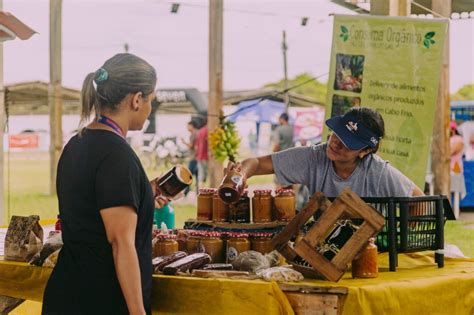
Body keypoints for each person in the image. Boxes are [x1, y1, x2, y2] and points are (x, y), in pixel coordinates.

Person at [42, 53, 169, 315]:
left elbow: (92, 205)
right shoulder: (116, 155)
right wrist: (138, 312)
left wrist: (144, 192)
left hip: (69, 292)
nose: (150, 109)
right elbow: (120, 243)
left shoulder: (77, 143)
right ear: (136, 99)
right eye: (150, 101)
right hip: (101, 299)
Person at [229, 107, 424, 198]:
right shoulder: (314, 157)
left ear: (365, 151)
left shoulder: (378, 171)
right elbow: (256, 162)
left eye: (348, 142)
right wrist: (241, 175)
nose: (335, 143)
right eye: (335, 134)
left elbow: (420, 200)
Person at [450, 121, 466, 216]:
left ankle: (456, 212)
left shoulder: (459, 139)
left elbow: (453, 151)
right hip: (448, 169)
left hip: (455, 168)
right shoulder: (449, 139)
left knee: (456, 191)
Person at [182, 120, 198, 195]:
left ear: (192, 126)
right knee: (197, 175)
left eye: (188, 126)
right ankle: (197, 191)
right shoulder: (197, 133)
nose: (187, 128)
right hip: (198, 158)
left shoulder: (193, 134)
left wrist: (183, 142)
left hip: (193, 158)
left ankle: (186, 191)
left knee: (189, 175)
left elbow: (191, 146)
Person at [195, 119, 208, 187]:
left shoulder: (200, 131)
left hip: (199, 156)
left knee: (201, 174)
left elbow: (196, 146)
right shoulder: (209, 130)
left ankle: (200, 191)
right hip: (206, 156)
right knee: (207, 174)